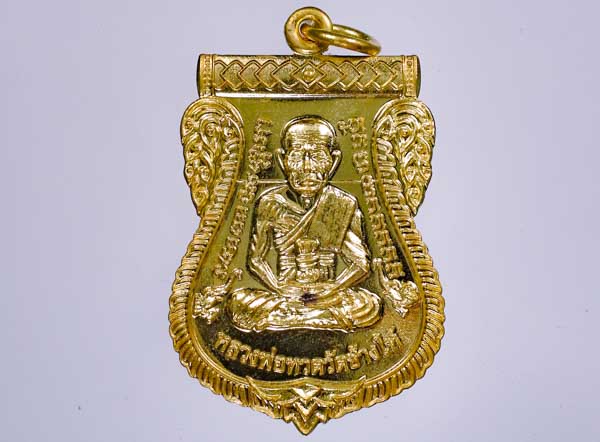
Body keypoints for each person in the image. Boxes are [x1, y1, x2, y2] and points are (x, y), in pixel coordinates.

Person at [226, 116, 382, 332]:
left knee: (368, 305)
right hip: (284, 293)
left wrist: (330, 290)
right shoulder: (270, 202)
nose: (307, 166)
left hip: (326, 294)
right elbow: (256, 260)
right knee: (239, 303)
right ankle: (312, 318)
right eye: (298, 156)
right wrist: (278, 287)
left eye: (317, 156)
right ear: (283, 160)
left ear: (333, 161)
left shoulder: (341, 203)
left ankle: (293, 318)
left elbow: (361, 264)